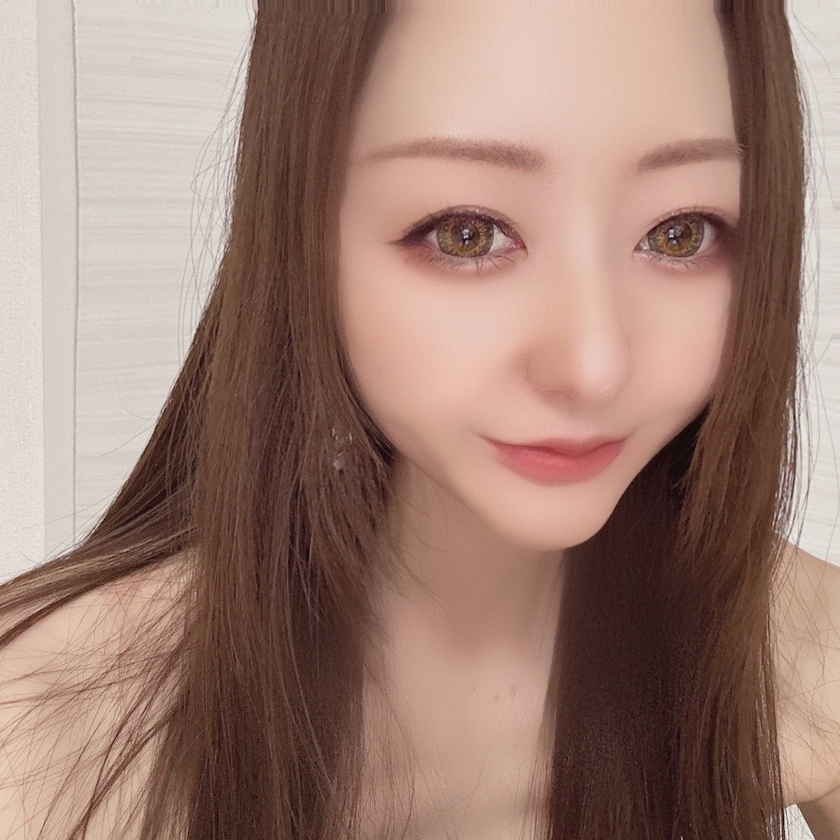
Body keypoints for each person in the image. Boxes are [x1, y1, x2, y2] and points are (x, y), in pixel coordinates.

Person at [1, 4, 839, 839]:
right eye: (467, 235)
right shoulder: (42, 735)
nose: (593, 364)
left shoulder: (807, 652)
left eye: (680, 234)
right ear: (302, 233)